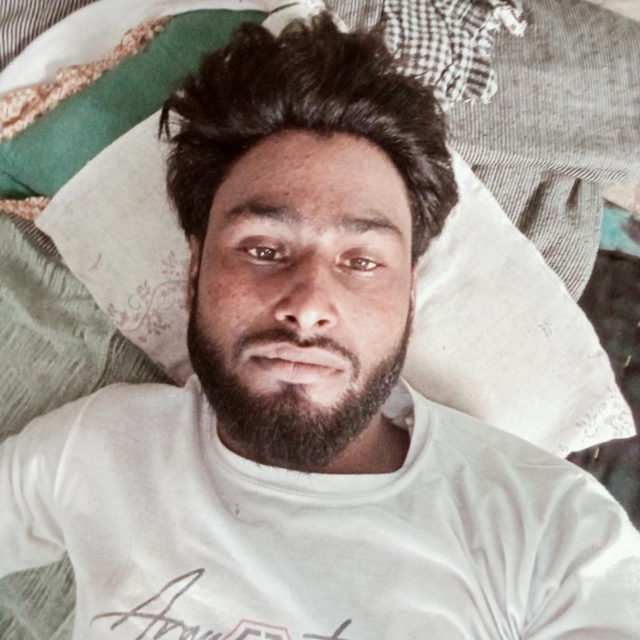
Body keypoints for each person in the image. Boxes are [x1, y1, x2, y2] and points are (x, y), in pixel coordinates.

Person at [1, 14, 639, 640]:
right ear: (194, 273)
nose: (308, 306)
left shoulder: (553, 536)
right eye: (263, 249)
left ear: (409, 295)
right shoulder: (100, 450)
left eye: (361, 262)